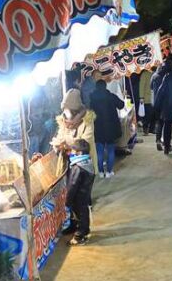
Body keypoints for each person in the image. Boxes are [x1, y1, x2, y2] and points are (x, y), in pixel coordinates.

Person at [53, 89, 97, 246]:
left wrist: (68, 141)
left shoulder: (87, 120)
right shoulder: (63, 121)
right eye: (64, 110)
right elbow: (59, 139)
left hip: (84, 166)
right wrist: (58, 145)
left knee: (81, 199)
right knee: (69, 197)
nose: (66, 114)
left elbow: (84, 144)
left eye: (69, 111)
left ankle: (82, 232)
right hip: (68, 165)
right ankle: (73, 224)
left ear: (76, 109)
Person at [89, 79, 125, 178]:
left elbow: (88, 110)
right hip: (111, 128)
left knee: (99, 151)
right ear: (105, 86)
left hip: (98, 127)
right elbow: (121, 105)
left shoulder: (91, 98)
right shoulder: (111, 96)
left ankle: (100, 172)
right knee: (110, 150)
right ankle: (109, 172)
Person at [151, 61, 172, 151]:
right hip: (167, 103)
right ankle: (166, 143)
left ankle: (158, 140)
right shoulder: (169, 77)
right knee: (167, 124)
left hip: (157, 101)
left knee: (159, 122)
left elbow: (151, 87)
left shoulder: (155, 76)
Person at [139, 67, 155, 135]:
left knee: (154, 115)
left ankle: (152, 129)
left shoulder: (156, 73)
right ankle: (145, 129)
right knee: (147, 115)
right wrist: (141, 97)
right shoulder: (145, 74)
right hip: (147, 98)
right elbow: (141, 86)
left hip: (154, 98)